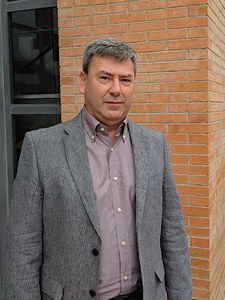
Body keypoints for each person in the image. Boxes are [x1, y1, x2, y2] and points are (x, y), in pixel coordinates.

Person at [1, 38, 192, 300]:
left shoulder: (155, 145)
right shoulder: (41, 147)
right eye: (105, 78)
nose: (116, 90)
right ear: (82, 81)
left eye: (125, 80)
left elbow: (172, 234)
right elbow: (22, 248)